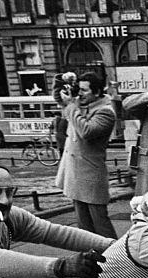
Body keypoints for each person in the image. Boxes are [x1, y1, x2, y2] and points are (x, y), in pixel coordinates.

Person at [55, 71, 118, 239]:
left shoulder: (106, 112)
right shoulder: (79, 106)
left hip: (91, 174)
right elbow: (58, 97)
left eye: (84, 90)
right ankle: (91, 260)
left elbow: (87, 131)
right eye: (79, 89)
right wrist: (62, 80)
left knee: (100, 225)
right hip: (75, 173)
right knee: (83, 227)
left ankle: (115, 258)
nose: (79, 94)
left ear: (97, 92)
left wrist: (71, 107)